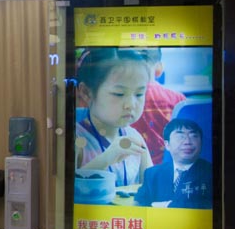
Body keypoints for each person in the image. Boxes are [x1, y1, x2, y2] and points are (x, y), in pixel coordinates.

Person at [76, 48, 153, 186]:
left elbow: (152, 186)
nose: (131, 105)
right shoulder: (76, 138)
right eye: (119, 94)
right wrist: (106, 158)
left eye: (139, 94)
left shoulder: (134, 137)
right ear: (86, 93)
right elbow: (67, 189)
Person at [134, 118, 213, 208]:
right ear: (167, 145)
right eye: (180, 137)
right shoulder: (153, 173)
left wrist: (166, 205)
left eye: (194, 136)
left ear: (201, 143)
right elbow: (139, 202)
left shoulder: (211, 172)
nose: (187, 142)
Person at [132, 49, 187, 165]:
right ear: (159, 69)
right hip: (168, 167)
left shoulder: (121, 100)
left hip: (132, 168)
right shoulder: (178, 99)